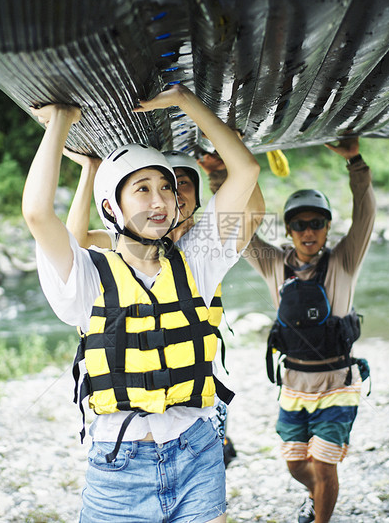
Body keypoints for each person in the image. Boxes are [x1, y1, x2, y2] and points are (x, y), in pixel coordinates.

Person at [21, 83, 260, 523]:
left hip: (198, 454)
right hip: (119, 470)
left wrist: (187, 102)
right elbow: (38, 213)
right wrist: (60, 122)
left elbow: (245, 170)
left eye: (166, 189)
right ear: (111, 208)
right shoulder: (88, 277)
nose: (161, 201)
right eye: (143, 189)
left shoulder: (197, 262)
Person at [61, 145, 262, 467]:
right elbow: (72, 247)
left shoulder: (205, 245)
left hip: (194, 371)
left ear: (197, 198)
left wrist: (220, 173)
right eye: (167, 184)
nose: (173, 195)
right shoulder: (123, 243)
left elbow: (252, 211)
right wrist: (92, 171)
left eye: (180, 185)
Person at [243, 135, 375, 523]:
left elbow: (366, 215)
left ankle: (321, 517)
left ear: (327, 226)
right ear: (288, 229)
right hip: (293, 384)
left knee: (325, 465)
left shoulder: (344, 262)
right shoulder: (272, 264)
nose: (308, 231)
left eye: (316, 223)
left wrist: (356, 164)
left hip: (337, 382)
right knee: (297, 465)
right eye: (299, 224)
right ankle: (317, 498)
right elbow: (240, 234)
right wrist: (220, 179)